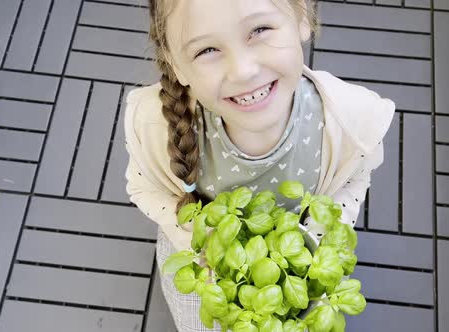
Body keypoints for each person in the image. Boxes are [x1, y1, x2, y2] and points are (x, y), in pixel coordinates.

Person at [123, 0, 395, 330]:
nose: (243, 70)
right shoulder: (156, 126)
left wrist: (318, 240)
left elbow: (353, 179)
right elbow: (144, 188)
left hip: (298, 251)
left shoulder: (350, 121)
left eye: (260, 30)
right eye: (208, 49)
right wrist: (197, 240)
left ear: (302, 16)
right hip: (201, 256)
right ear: (174, 63)